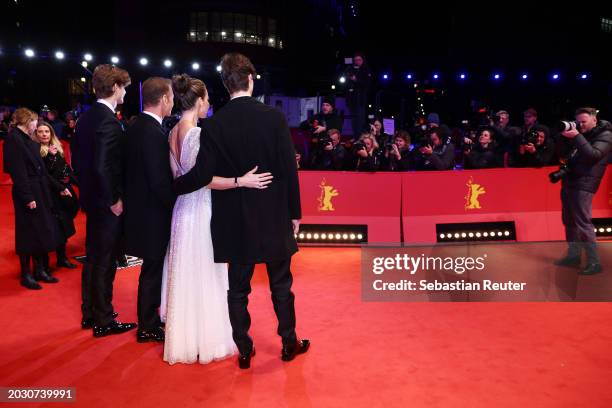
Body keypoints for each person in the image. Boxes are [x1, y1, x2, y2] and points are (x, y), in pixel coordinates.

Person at [173, 53, 309, 369]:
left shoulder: (214, 124)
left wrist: (172, 187)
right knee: (281, 285)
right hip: (273, 215)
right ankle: (289, 342)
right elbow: (289, 170)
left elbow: (203, 175)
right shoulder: (274, 117)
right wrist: (295, 213)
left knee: (238, 289)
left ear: (225, 84)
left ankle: (244, 349)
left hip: (234, 220)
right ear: (250, 78)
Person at [159, 73, 273, 365]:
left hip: (182, 209)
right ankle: (206, 338)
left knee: (186, 270)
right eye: (207, 98)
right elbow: (204, 180)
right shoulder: (196, 134)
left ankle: (187, 336)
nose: (209, 103)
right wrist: (240, 181)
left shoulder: (172, 132)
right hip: (200, 209)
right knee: (206, 271)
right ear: (197, 101)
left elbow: (179, 178)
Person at [71, 64, 137, 337]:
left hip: (91, 199)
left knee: (95, 257)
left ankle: (90, 313)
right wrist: (113, 199)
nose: (125, 92)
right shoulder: (108, 121)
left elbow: (79, 162)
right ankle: (104, 319)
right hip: (104, 203)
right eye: (124, 87)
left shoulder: (86, 118)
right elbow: (102, 166)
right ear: (114, 88)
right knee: (105, 261)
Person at [123, 77, 176, 343]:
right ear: (165, 98)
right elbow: (158, 181)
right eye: (172, 97)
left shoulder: (133, 126)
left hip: (139, 211)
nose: (173, 102)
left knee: (150, 270)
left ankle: (148, 320)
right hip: (153, 215)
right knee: (152, 271)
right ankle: (147, 324)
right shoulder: (152, 132)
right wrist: (176, 204)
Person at [3, 108, 62, 289]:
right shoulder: (14, 140)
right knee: (27, 233)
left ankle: (39, 270)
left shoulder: (26, 139)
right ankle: (26, 273)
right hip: (27, 192)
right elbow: (17, 171)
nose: (37, 126)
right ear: (27, 121)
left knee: (39, 230)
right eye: (35, 122)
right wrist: (28, 196)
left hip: (38, 189)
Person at [554, 107, 612, 275]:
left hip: (585, 183)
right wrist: (565, 138)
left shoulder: (607, 135)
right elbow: (563, 154)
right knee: (569, 221)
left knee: (583, 223)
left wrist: (577, 136)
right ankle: (574, 256)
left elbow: (593, 155)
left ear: (594, 120)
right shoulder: (581, 133)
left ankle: (594, 262)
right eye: (578, 121)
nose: (580, 125)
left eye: (583, 121)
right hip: (570, 180)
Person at [34, 122, 78, 270]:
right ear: (36, 134)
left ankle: (62, 258)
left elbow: (65, 169)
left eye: (47, 131)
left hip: (62, 192)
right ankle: (46, 264)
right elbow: (45, 175)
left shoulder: (56, 148)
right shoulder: (36, 151)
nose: (44, 134)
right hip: (49, 194)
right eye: (40, 131)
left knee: (64, 225)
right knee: (54, 226)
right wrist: (50, 158)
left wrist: (78, 183)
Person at [346, 52, 371, 137]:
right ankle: (354, 135)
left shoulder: (366, 70)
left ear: (363, 60)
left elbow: (366, 84)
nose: (357, 61)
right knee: (353, 119)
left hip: (360, 100)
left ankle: (359, 136)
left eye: (359, 60)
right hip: (351, 99)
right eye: (355, 60)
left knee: (360, 119)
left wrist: (356, 80)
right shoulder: (351, 69)